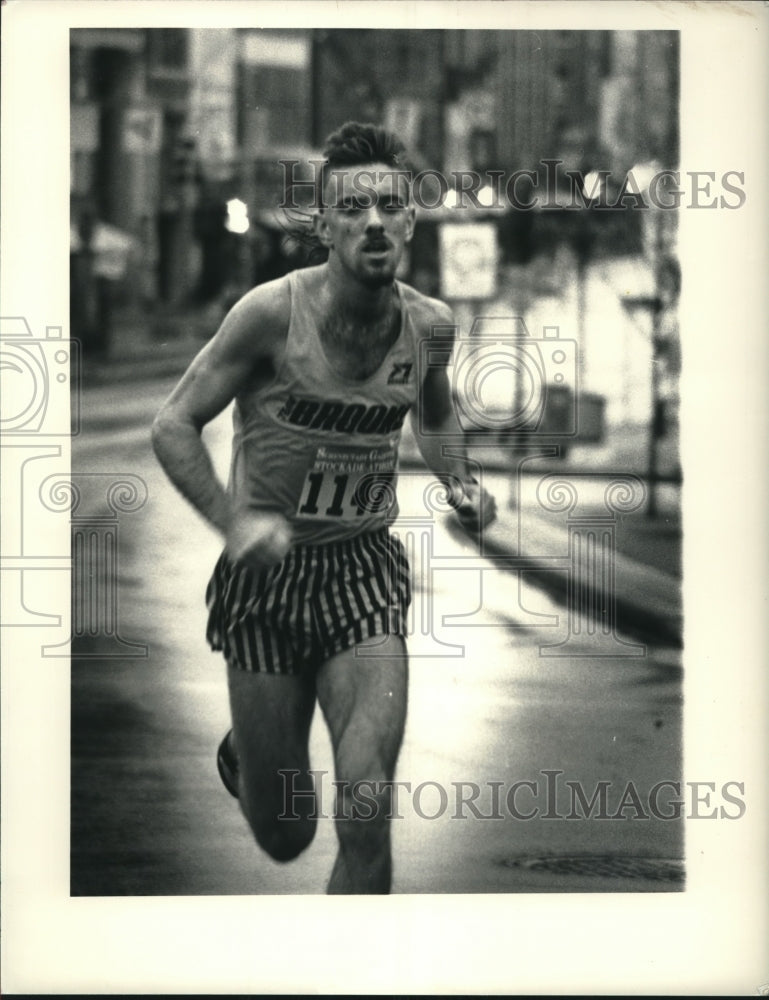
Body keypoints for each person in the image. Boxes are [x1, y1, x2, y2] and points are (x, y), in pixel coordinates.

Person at [152, 122, 497, 894]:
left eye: (387, 204)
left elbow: (432, 414)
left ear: (410, 219)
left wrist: (459, 480)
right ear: (325, 225)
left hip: (362, 575)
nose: (372, 221)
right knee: (286, 834)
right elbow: (173, 423)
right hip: (267, 583)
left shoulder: (430, 326)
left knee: (367, 804)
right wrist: (233, 521)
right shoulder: (269, 315)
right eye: (352, 208)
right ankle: (252, 751)